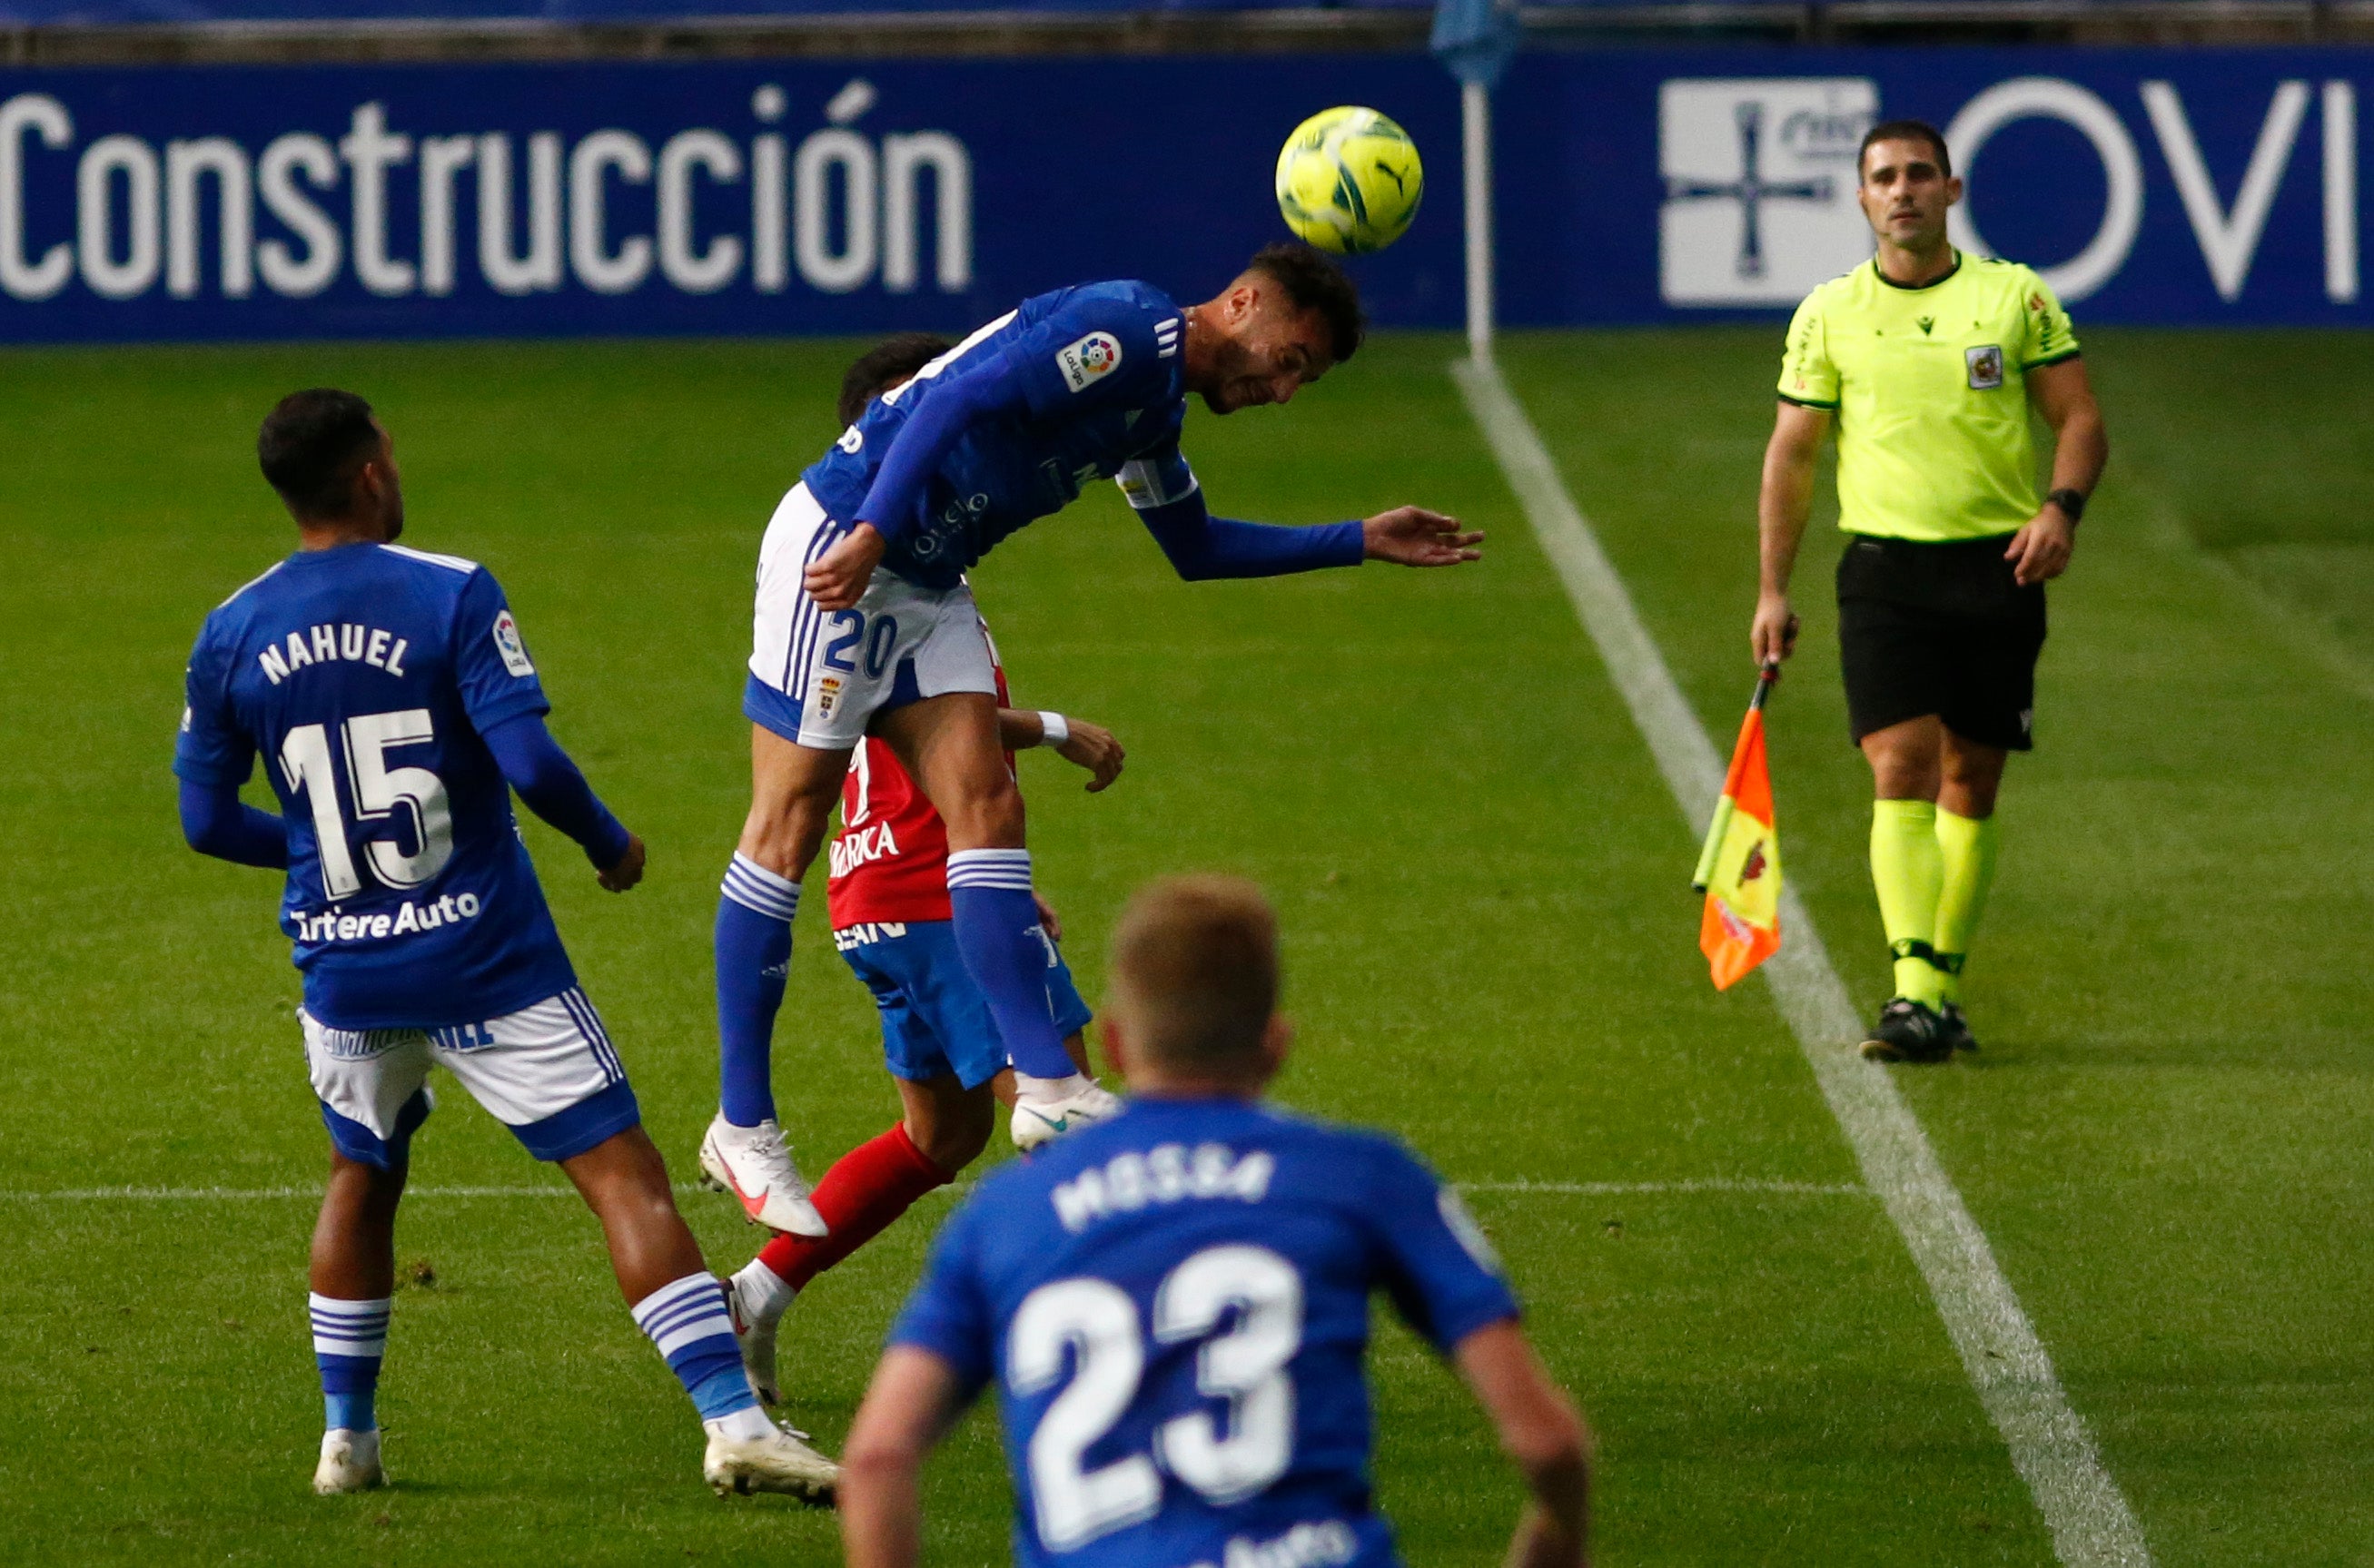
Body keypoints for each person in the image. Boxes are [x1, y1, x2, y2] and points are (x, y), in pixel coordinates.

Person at [701, 244, 1484, 1233]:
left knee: (986, 803)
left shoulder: (1154, 407)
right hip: (846, 540)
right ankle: (741, 1120)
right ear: (1239, 301)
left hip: (929, 583)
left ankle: (1046, 1085)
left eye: (1303, 379)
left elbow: (1193, 548)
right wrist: (869, 531)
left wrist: (1358, 537)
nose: (1283, 388)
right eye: (1288, 357)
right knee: (789, 819)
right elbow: (953, 400)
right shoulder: (1125, 328)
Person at [173, 389, 836, 1502]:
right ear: (374, 468)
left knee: (363, 1169)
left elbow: (202, 819)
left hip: (345, 971)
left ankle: (348, 1440)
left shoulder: (230, 628)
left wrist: (316, 860)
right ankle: (735, 1420)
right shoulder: (449, 592)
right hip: (489, 960)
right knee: (624, 1176)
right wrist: (608, 841)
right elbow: (529, 763)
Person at [838, 876, 1592, 1568]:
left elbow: (876, 1459)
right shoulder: (1362, 1176)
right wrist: (1553, 1540)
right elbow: (1548, 1440)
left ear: (1118, 1048)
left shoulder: (1005, 1213)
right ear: (1275, 1044)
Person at [719, 332, 1126, 1408]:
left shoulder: (855, 588)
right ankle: (1117, 1358)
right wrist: (1050, 726)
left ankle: (755, 1294)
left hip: (876, 894)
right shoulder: (888, 578)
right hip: (923, 887)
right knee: (1060, 1109)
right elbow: (934, 728)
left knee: (942, 1134)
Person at [1750, 119, 2110, 1063]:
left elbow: (2078, 419)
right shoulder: (1829, 313)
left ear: (1951, 192)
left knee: (1971, 779)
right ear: (1862, 199)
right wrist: (1770, 590)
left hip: (1998, 568)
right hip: (1884, 573)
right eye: (1883, 177)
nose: (1902, 190)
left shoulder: (2013, 298)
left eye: (1919, 174)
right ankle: (1915, 987)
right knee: (1899, 764)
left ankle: (1934, 996)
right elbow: (1791, 456)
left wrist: (2060, 509)